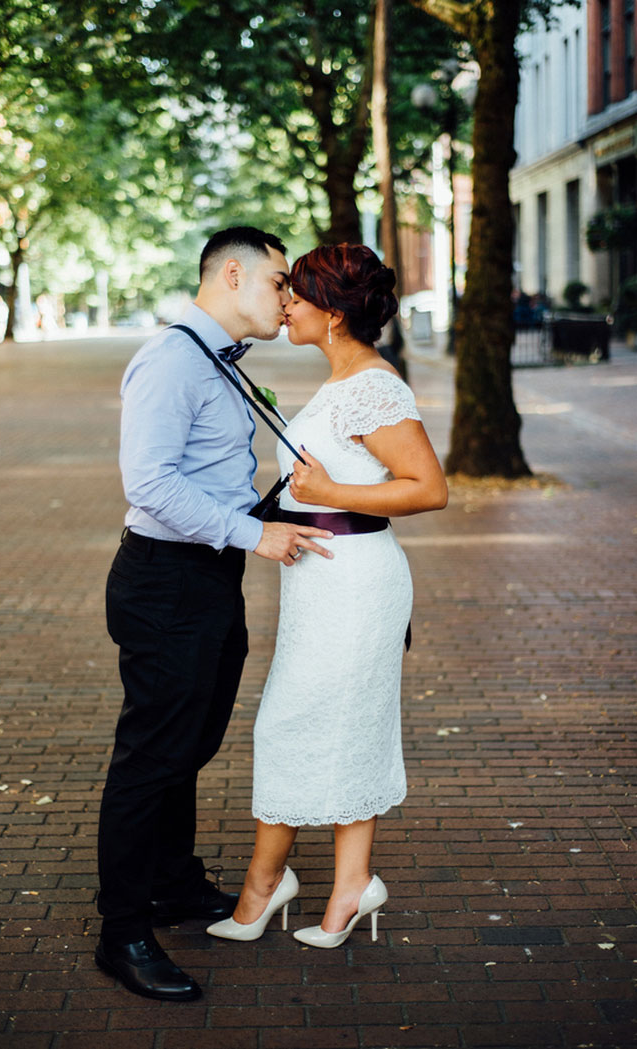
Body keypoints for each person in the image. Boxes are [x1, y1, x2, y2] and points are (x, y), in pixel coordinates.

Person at [96, 227, 334, 1001]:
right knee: (152, 753)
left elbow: (210, 475)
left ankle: (172, 882)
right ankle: (124, 931)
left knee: (189, 741)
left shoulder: (217, 362)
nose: (288, 298)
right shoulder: (171, 360)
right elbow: (151, 484)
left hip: (205, 576)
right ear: (233, 275)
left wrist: (277, 500)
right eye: (278, 282)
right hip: (167, 580)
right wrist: (254, 532)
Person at [206, 243, 448, 948]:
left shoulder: (373, 386)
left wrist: (326, 492)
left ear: (334, 313)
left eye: (297, 296)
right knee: (344, 723)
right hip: (321, 580)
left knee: (291, 722)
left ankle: (265, 886)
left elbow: (429, 488)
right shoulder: (342, 380)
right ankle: (350, 885)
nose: (285, 305)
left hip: (355, 583)